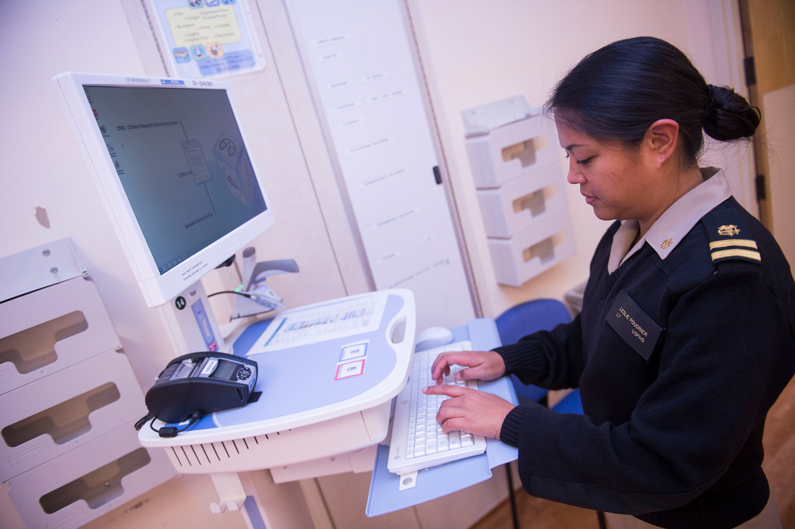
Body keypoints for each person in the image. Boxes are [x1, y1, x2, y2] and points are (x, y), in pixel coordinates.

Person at [424, 36, 795, 529]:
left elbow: (665, 461)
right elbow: (596, 339)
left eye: (586, 157)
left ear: (659, 142)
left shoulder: (728, 281)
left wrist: (511, 423)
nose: (574, 176)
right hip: (629, 497)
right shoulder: (631, 230)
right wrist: (504, 360)